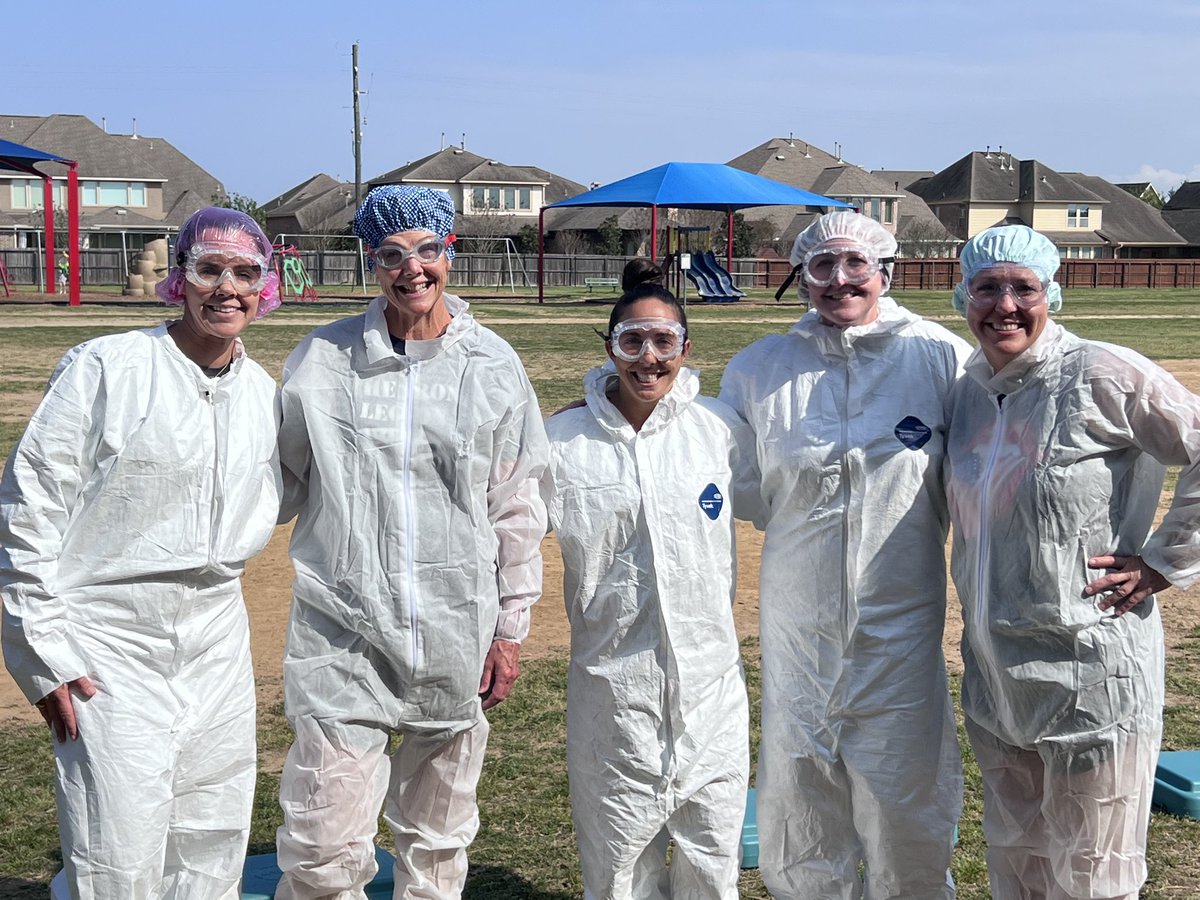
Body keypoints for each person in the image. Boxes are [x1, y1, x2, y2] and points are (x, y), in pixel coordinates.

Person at [275, 184, 549, 900]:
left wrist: (510, 629)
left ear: (449, 253)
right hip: (345, 633)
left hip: (458, 628)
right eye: (393, 255)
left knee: (438, 839)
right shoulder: (324, 361)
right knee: (322, 842)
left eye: (428, 250)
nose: (412, 269)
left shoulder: (492, 365)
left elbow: (516, 505)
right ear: (372, 261)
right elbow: (277, 479)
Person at [0, 207, 283, 899]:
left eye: (245, 273)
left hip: (216, 634)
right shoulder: (109, 367)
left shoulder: (264, 396)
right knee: (117, 838)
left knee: (212, 828)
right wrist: (43, 651)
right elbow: (30, 507)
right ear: (179, 279)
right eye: (209, 269)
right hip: (110, 638)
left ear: (265, 287)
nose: (227, 289)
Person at [719, 210, 970, 898]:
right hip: (799, 624)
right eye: (822, 266)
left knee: (905, 796)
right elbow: (728, 477)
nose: (839, 280)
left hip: (901, 628)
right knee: (802, 788)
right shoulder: (762, 371)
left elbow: (988, 464)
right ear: (801, 278)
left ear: (884, 271)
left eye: (855, 264)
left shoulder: (939, 358)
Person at [945, 225, 1200, 900]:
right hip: (999, 676)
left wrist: (1165, 563)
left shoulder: (1102, 373)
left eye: (1023, 288)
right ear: (961, 297)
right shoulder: (969, 390)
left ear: (1050, 293)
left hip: (1093, 673)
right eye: (987, 287)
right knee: (1019, 857)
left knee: (1094, 870)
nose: (1005, 304)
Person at [543, 284, 760, 899]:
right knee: (618, 863)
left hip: (711, 688)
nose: (648, 357)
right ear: (609, 348)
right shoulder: (563, 444)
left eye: (663, 340)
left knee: (711, 854)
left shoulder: (718, 431)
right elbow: (503, 534)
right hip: (612, 688)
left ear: (686, 348)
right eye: (630, 340)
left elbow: (787, 499)